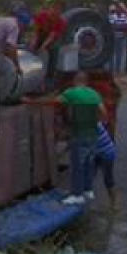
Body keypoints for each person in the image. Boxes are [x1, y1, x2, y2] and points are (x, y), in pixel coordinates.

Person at [23, 72, 108, 205]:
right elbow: (103, 112)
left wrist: (31, 101)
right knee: (88, 163)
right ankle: (88, 191)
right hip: (93, 135)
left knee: (77, 166)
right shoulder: (94, 93)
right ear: (86, 82)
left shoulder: (72, 93)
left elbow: (52, 102)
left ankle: (77, 195)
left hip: (79, 134)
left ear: (75, 81)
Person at [32, 0, 67, 80]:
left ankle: (49, 76)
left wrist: (42, 47)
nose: (55, 11)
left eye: (58, 9)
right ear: (50, 8)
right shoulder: (41, 16)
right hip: (41, 35)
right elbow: (36, 32)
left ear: (61, 11)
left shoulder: (61, 22)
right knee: (31, 47)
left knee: (54, 49)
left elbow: (51, 37)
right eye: (54, 8)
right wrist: (34, 43)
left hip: (53, 40)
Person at [94, 122, 118, 210]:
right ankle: (85, 204)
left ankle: (114, 204)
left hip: (107, 152)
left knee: (108, 178)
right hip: (96, 152)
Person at [108, 0, 127, 73]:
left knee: (119, 54)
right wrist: (121, 26)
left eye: (120, 8)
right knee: (111, 53)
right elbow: (112, 26)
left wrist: (118, 26)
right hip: (113, 37)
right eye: (118, 8)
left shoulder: (125, 16)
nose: (119, 9)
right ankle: (111, 69)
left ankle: (117, 69)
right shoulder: (111, 16)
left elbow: (126, 26)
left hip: (121, 37)